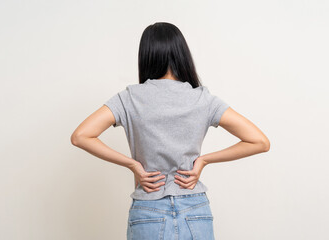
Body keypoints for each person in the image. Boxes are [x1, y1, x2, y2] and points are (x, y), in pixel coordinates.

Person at [71, 22, 270, 240]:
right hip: (195, 211)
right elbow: (260, 141)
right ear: (181, 54)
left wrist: (133, 165)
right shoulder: (202, 99)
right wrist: (204, 161)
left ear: (146, 56)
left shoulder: (130, 98)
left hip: (148, 209)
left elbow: (81, 136)